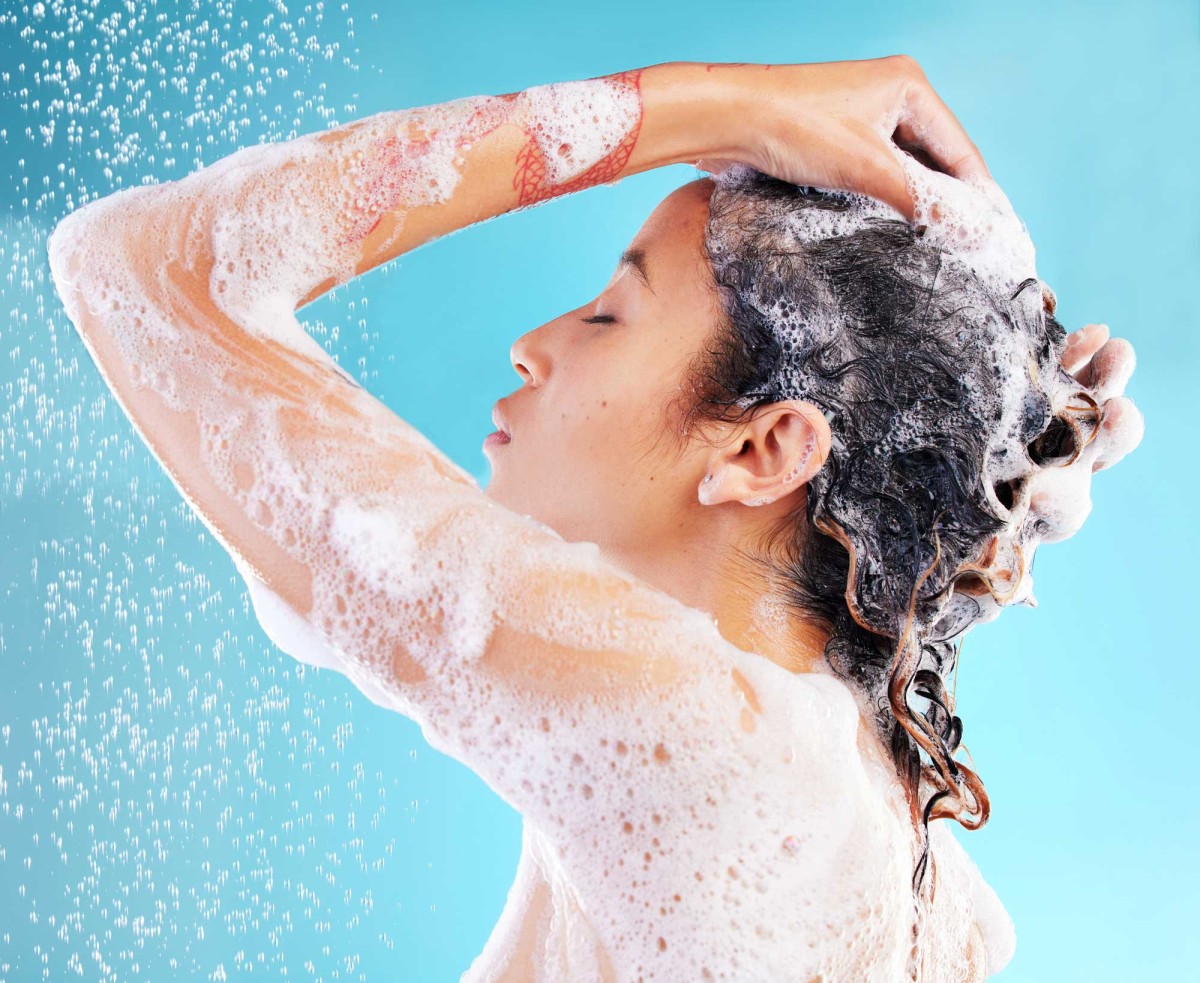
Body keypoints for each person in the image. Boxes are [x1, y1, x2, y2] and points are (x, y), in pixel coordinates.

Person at [46, 58, 1142, 981]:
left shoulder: (704, 747)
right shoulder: (916, 869)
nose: (533, 342)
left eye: (612, 312)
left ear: (762, 448)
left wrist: (714, 106)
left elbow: (147, 267)